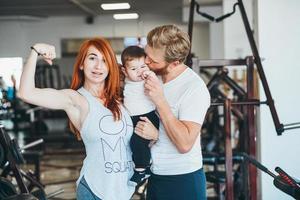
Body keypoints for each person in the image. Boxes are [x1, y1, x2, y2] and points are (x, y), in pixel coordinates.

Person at [18, 38, 158, 200]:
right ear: (82, 64)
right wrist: (36, 49)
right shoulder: (75, 99)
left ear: (110, 66)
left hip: (123, 192)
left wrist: (155, 135)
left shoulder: (121, 98)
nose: (98, 66)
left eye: (104, 60)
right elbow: (25, 93)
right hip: (94, 191)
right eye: (92, 58)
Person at [143, 25, 211, 199]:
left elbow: (185, 144)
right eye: (146, 55)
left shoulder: (194, 88)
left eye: (153, 61)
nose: (146, 62)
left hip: (183, 181)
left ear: (174, 63)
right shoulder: (153, 75)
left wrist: (160, 101)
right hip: (155, 177)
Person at [120, 46, 159, 186]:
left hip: (147, 116)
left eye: (142, 66)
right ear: (124, 71)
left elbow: (154, 78)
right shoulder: (126, 80)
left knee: (137, 142)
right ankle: (146, 166)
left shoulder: (148, 78)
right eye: (134, 69)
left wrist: (150, 74)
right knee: (132, 144)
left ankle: (141, 170)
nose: (139, 72)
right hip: (133, 117)